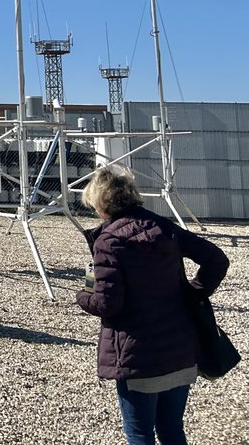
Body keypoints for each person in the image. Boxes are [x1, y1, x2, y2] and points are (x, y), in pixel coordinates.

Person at [76, 165, 229, 445]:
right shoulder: (163, 226)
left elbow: (107, 303)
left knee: (140, 433)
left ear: (99, 202)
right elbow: (216, 260)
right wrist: (193, 292)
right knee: (172, 430)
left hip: (138, 355)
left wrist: (82, 295)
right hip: (181, 347)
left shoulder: (109, 242)